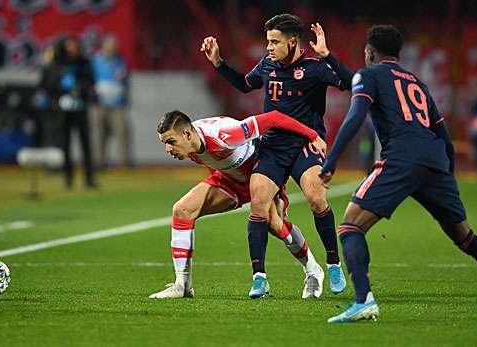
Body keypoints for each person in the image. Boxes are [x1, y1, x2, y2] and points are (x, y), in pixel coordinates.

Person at [320, 25, 477, 323]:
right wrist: (447, 177)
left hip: (401, 159)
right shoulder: (417, 83)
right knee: (466, 237)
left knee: (350, 226)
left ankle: (364, 300)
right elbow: (445, 137)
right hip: (435, 163)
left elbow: (355, 115)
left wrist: (332, 160)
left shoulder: (370, 75)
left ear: (369, 52)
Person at [201, 14, 352, 298]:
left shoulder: (315, 68)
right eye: (267, 41)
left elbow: (350, 83)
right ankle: (260, 277)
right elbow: (246, 84)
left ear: (292, 41)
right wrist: (218, 63)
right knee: (258, 201)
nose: (268, 47)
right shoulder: (267, 65)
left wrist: (328, 55)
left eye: (274, 41)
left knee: (315, 197)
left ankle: (333, 264)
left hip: (307, 143)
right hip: (272, 144)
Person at [150, 109, 328, 299]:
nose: (168, 149)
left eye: (171, 142)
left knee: (275, 224)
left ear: (187, 133)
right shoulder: (190, 144)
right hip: (229, 180)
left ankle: (313, 270)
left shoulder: (224, 135)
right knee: (182, 210)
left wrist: (313, 135)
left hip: (261, 176)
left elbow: (274, 118)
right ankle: (182, 285)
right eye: (164, 144)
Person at [40, 37, 97, 188]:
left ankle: (89, 178)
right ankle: (68, 177)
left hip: (80, 107)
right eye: (69, 45)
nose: (73, 48)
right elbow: (46, 84)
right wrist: (62, 91)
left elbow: (91, 81)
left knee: (85, 143)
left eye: (74, 45)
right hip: (62, 109)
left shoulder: (83, 63)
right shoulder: (56, 64)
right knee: (65, 143)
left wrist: (81, 89)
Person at [91, 36, 131, 168]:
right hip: (100, 104)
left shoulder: (120, 62)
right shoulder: (96, 61)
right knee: (100, 134)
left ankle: (123, 162)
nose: (113, 49)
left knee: (122, 132)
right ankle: (99, 161)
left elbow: (125, 81)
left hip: (117, 104)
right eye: (111, 46)